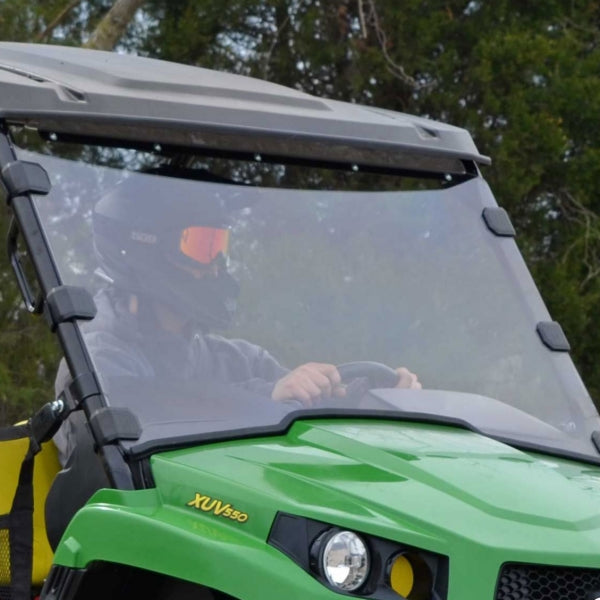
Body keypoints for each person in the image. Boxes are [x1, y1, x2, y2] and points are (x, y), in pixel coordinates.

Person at [53, 172, 421, 465]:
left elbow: (302, 405)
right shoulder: (94, 358)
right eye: (201, 246)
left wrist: (370, 398)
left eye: (219, 247)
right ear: (141, 246)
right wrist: (267, 398)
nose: (215, 267)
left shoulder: (233, 359)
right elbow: (147, 413)